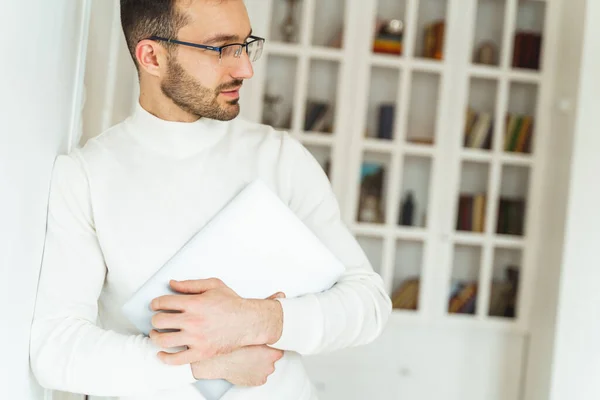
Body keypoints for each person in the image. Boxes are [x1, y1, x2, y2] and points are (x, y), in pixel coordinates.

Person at [29, 0, 392, 399]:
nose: (245, 68)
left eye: (245, 44)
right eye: (221, 48)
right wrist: (202, 364)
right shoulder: (85, 177)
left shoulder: (280, 158)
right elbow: (56, 348)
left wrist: (256, 320)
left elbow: (368, 304)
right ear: (151, 56)